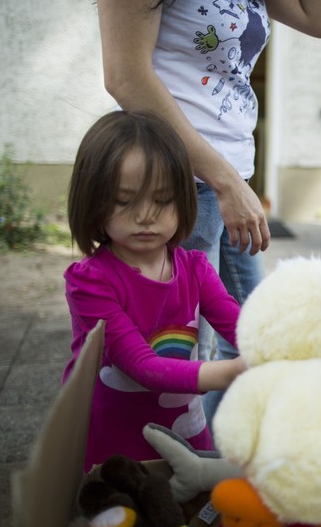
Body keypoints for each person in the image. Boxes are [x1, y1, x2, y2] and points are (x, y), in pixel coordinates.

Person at [94, 0, 321, 425]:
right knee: (184, 357)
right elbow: (125, 75)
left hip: (230, 185)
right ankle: (159, 474)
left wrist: (232, 182)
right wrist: (224, 182)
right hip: (179, 187)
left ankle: (207, 459)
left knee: (252, 338)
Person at [63, 111, 247, 471]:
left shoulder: (194, 268)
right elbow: (141, 367)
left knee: (192, 516)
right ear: (93, 199)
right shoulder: (90, 282)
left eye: (161, 200)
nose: (145, 215)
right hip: (112, 441)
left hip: (185, 428)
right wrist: (234, 370)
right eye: (124, 200)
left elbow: (243, 327)